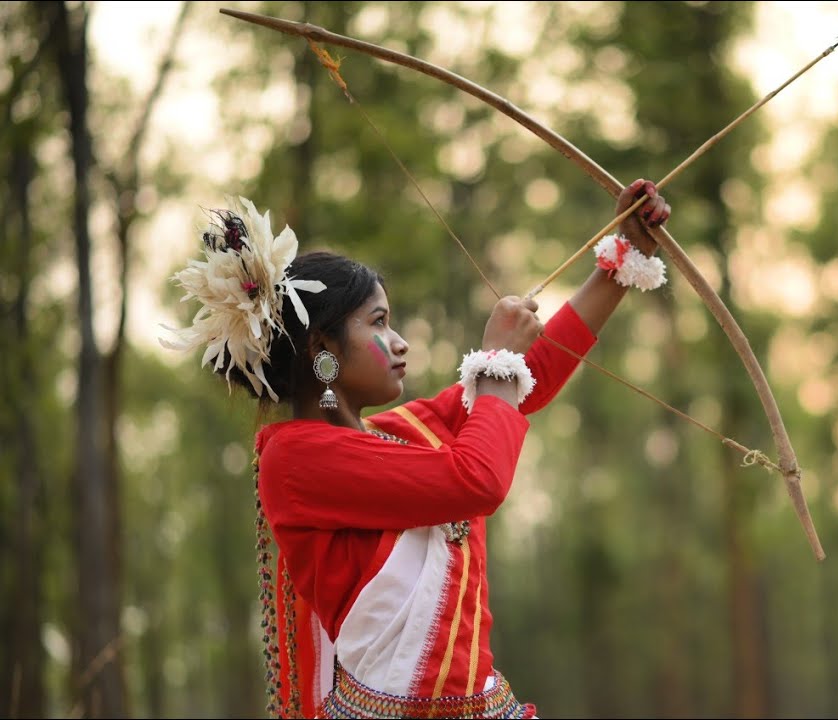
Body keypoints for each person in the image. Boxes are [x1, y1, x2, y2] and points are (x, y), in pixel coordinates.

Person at [163, 178, 672, 718]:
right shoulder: (294, 461)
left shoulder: (409, 432)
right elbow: (477, 479)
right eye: (379, 322)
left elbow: (529, 379)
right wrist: (496, 358)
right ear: (323, 350)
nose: (400, 340)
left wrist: (624, 257)